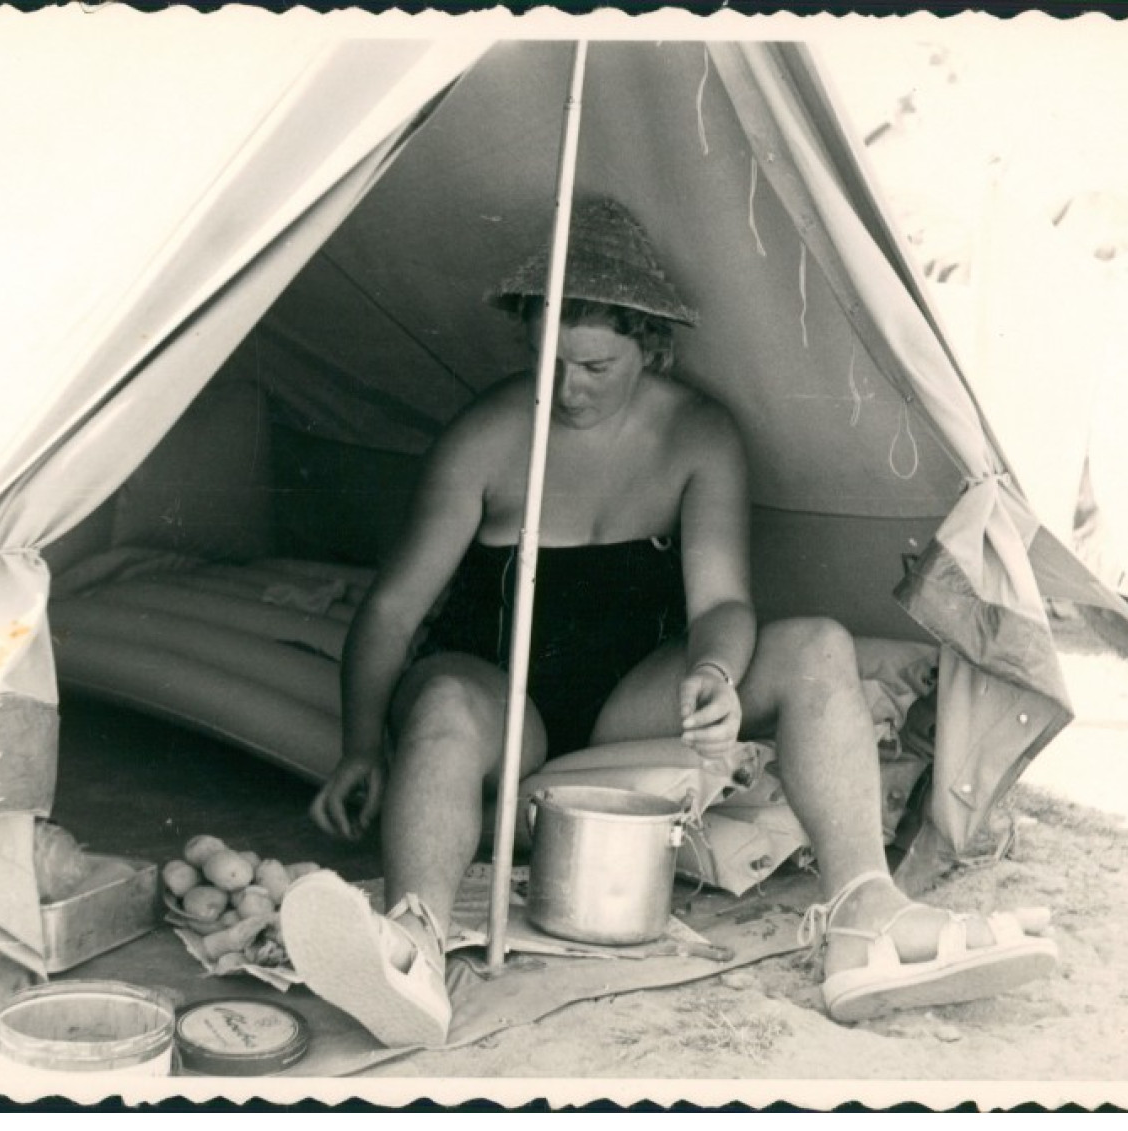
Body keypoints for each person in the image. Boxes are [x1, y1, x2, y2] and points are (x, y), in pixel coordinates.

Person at [280, 195, 1057, 1048]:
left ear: (651, 348)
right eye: (549, 361)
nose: (565, 388)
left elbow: (720, 602)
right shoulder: (485, 436)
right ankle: (414, 945)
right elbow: (393, 609)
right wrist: (360, 744)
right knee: (444, 707)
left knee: (816, 649)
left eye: (594, 366)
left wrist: (715, 674)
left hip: (623, 693)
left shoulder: (697, 435)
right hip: (493, 692)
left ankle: (863, 913)